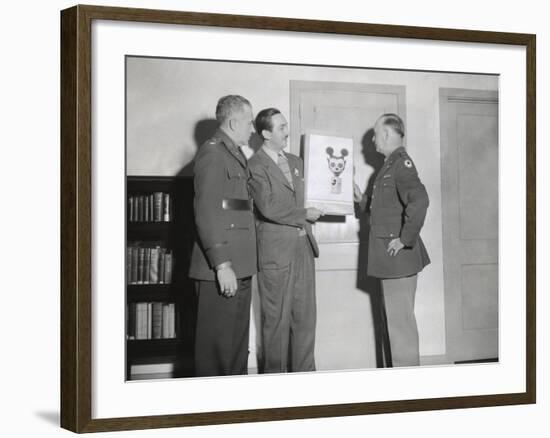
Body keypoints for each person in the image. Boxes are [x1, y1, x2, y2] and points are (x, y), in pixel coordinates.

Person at [248, 108, 324, 373]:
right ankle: (275, 386)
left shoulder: (296, 162)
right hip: (275, 254)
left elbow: (319, 187)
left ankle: (305, 381)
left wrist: (341, 187)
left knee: (305, 320)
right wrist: (304, 214)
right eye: (281, 128)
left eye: (286, 126)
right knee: (276, 323)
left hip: (303, 247)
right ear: (266, 133)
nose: (287, 132)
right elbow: (268, 207)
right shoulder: (255, 166)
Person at [188, 95, 257, 377]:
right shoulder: (213, 154)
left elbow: (235, 209)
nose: (252, 129)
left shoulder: (234, 154)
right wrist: (223, 265)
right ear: (233, 122)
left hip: (238, 265)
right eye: (249, 122)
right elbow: (206, 213)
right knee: (216, 354)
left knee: (234, 350)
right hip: (223, 268)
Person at [354, 113, 430, 367]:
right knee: (395, 328)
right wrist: (360, 199)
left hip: (398, 260)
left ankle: (407, 393)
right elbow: (385, 210)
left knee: (401, 331)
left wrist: (404, 239)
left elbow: (419, 201)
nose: (374, 139)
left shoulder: (401, 164)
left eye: (376, 134)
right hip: (390, 261)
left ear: (386, 134)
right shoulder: (389, 165)